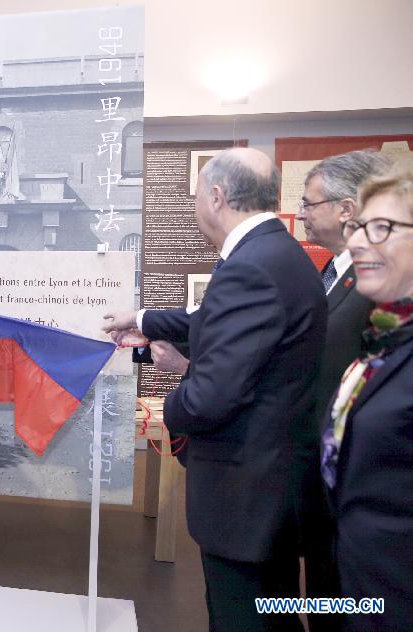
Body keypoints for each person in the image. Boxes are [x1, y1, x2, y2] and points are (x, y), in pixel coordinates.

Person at [104, 148, 327, 631]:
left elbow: (208, 399)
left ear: (218, 197)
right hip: (271, 489)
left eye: (197, 195)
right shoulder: (276, 253)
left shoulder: (251, 267)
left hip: (246, 497)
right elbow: (209, 324)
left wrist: (170, 404)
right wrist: (140, 318)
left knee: (242, 618)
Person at [293, 150, 391, 630]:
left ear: (346, 209)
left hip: (360, 478)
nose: (303, 213)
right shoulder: (333, 272)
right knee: (324, 599)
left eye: (310, 203)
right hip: (325, 473)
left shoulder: (381, 285)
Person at [321, 164, 413, 631]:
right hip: (361, 590)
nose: (356, 241)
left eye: (382, 228)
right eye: (358, 227)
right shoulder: (387, 336)